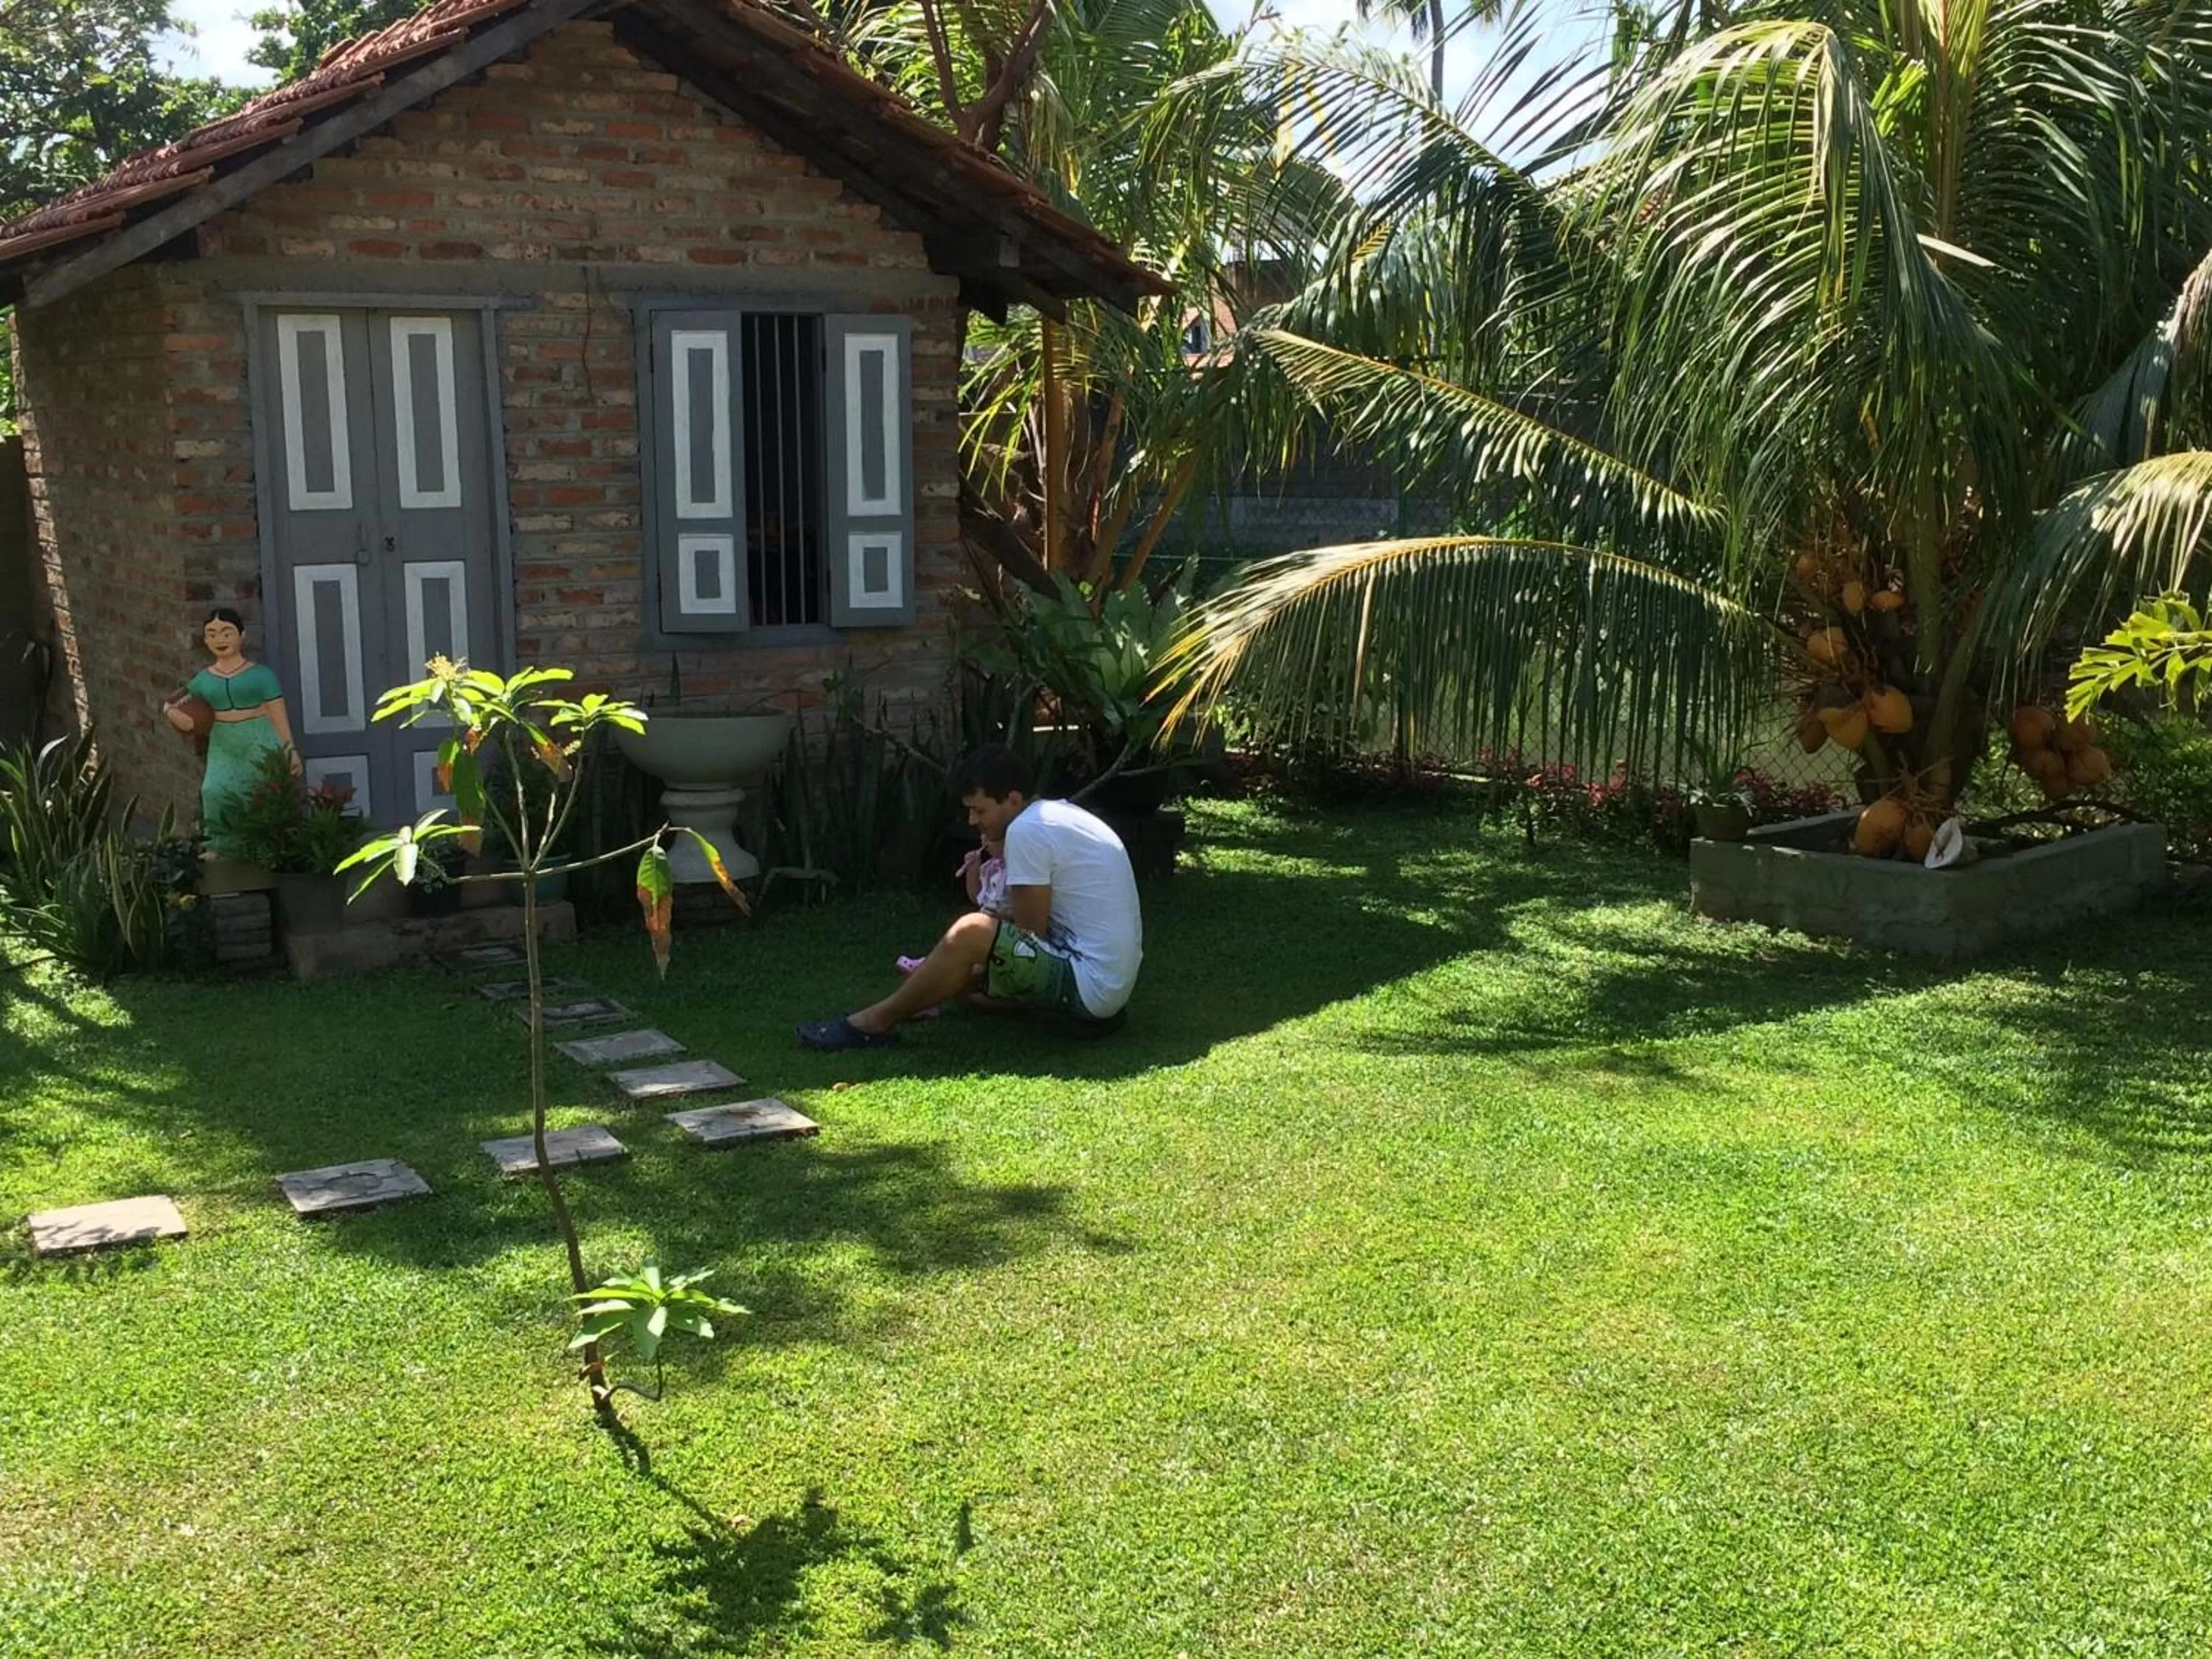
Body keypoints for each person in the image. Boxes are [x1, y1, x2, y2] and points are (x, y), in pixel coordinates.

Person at [799, 744, 1143, 1050]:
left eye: (980, 810)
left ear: (1012, 799)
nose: (972, 820)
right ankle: (920, 999)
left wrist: (964, 962)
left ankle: (874, 1022)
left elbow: (1029, 936)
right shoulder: (1056, 815)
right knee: (963, 987)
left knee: (970, 931)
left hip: (1092, 987)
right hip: (1110, 987)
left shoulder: (1027, 831)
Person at [160, 608, 300, 857]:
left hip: (258, 735)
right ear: (205, 640)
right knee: (214, 789)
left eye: (227, 633)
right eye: (212, 634)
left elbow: (277, 714)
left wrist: (290, 750)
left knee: (260, 789)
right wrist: (171, 712)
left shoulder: (261, 676)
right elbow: (177, 701)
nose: (220, 640)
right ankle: (220, 847)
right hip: (223, 740)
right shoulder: (204, 679)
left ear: (241, 636)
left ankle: (262, 848)